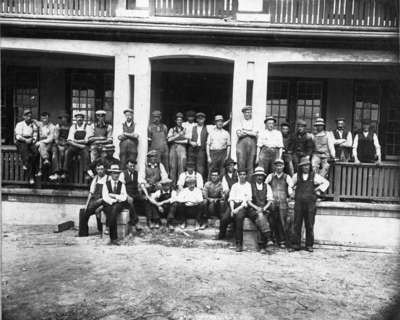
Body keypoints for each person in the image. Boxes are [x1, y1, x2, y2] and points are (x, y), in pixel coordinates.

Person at [291, 157, 329, 252]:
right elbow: (290, 186)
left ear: (310, 166)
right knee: (297, 224)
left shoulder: (314, 176)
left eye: (307, 165)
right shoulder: (296, 176)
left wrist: (318, 190)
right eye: (303, 166)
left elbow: (326, 183)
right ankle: (296, 244)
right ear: (300, 167)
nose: (306, 167)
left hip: (310, 204)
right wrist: (291, 193)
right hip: (299, 203)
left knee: (309, 224)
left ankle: (309, 245)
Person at [189, 112, 231, 179]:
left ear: (204, 119)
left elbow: (228, 145)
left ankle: (220, 186)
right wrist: (191, 142)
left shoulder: (209, 128)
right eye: (199, 118)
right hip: (196, 150)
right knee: (194, 167)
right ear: (196, 119)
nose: (200, 120)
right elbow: (188, 138)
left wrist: (229, 120)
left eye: (202, 118)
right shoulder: (193, 127)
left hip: (216, 152)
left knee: (220, 170)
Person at [266, 159, 294, 248]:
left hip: (283, 202)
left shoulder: (287, 177)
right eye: (277, 165)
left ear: (283, 166)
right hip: (273, 202)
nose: (279, 167)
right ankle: (272, 239)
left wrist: (290, 196)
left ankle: (282, 241)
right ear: (274, 167)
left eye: (280, 165)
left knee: (283, 221)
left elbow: (291, 187)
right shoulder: (270, 176)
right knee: (272, 220)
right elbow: (265, 186)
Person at [247, 167, 275, 254]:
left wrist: (264, 208)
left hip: (264, 208)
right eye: (258, 175)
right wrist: (257, 208)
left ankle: (262, 246)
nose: (259, 177)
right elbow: (248, 201)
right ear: (255, 177)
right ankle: (268, 239)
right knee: (260, 216)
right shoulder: (250, 186)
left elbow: (270, 200)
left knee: (261, 219)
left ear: (263, 177)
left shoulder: (267, 186)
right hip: (252, 209)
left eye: (261, 176)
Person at [79, 160, 108, 237]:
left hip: (104, 201)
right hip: (95, 201)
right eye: (98, 169)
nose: (100, 171)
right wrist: (86, 205)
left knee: (97, 210)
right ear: (96, 170)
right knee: (83, 212)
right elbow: (91, 193)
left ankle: (101, 230)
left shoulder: (108, 179)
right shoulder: (95, 179)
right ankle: (83, 233)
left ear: (104, 169)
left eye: (101, 169)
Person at [102, 164, 128, 245]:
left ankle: (108, 227)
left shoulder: (122, 184)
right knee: (111, 210)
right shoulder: (106, 184)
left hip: (118, 204)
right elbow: (105, 197)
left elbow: (124, 197)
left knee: (115, 208)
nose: (116, 175)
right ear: (111, 174)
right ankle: (114, 239)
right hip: (108, 203)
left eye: (117, 173)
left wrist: (114, 196)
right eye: (114, 173)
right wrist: (114, 200)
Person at [63, 112, 90, 181]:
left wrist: (75, 141)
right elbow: (69, 140)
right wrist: (79, 144)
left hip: (84, 147)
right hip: (75, 146)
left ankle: (86, 172)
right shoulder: (73, 127)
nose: (79, 119)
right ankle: (66, 172)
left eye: (81, 117)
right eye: (78, 117)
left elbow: (86, 140)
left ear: (83, 119)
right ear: (76, 119)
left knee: (86, 154)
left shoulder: (87, 127)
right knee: (67, 152)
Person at [14, 109, 39, 184]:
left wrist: (33, 140)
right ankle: (31, 176)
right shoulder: (19, 124)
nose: (29, 117)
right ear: (23, 116)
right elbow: (18, 136)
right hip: (21, 141)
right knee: (27, 155)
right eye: (27, 116)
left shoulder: (33, 124)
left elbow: (35, 134)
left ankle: (26, 165)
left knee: (35, 153)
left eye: (30, 116)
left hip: (30, 141)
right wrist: (25, 140)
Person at [119, 158, 141, 232]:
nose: (132, 168)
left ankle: (152, 220)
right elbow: (121, 188)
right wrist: (127, 196)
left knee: (145, 200)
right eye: (130, 166)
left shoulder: (136, 173)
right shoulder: (123, 174)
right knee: (130, 202)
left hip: (135, 193)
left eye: (133, 166)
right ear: (127, 166)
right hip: (126, 194)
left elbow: (140, 183)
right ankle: (136, 222)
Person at [236, 106, 258, 177]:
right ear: (243, 113)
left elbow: (255, 134)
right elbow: (239, 134)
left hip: (252, 144)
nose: (248, 114)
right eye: (246, 112)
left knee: (251, 163)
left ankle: (250, 181)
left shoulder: (254, 122)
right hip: (241, 144)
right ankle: (241, 181)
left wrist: (244, 131)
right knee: (241, 162)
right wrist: (249, 132)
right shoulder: (240, 122)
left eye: (249, 112)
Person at [168, 112, 188, 185]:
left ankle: (180, 185)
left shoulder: (185, 129)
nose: (179, 121)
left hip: (182, 148)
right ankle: (172, 185)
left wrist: (174, 138)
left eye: (181, 120)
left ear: (182, 121)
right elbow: (169, 140)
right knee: (173, 167)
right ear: (176, 121)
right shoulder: (172, 129)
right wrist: (179, 135)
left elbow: (186, 140)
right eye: (178, 120)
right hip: (173, 147)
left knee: (182, 167)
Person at [35, 112, 57, 178]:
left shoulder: (52, 126)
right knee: (39, 149)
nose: (44, 119)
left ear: (48, 118)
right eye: (42, 117)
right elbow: (34, 121)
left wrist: (40, 142)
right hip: (42, 144)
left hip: (49, 143)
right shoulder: (40, 124)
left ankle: (40, 170)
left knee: (41, 147)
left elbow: (50, 139)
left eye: (46, 117)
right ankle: (45, 160)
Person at [50, 113, 70, 181]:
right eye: (62, 118)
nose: (63, 119)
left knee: (66, 153)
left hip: (67, 143)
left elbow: (70, 138)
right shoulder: (58, 126)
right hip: (58, 143)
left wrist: (65, 144)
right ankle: (56, 172)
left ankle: (64, 172)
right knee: (55, 152)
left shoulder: (70, 126)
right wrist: (59, 145)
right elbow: (56, 138)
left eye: (65, 118)